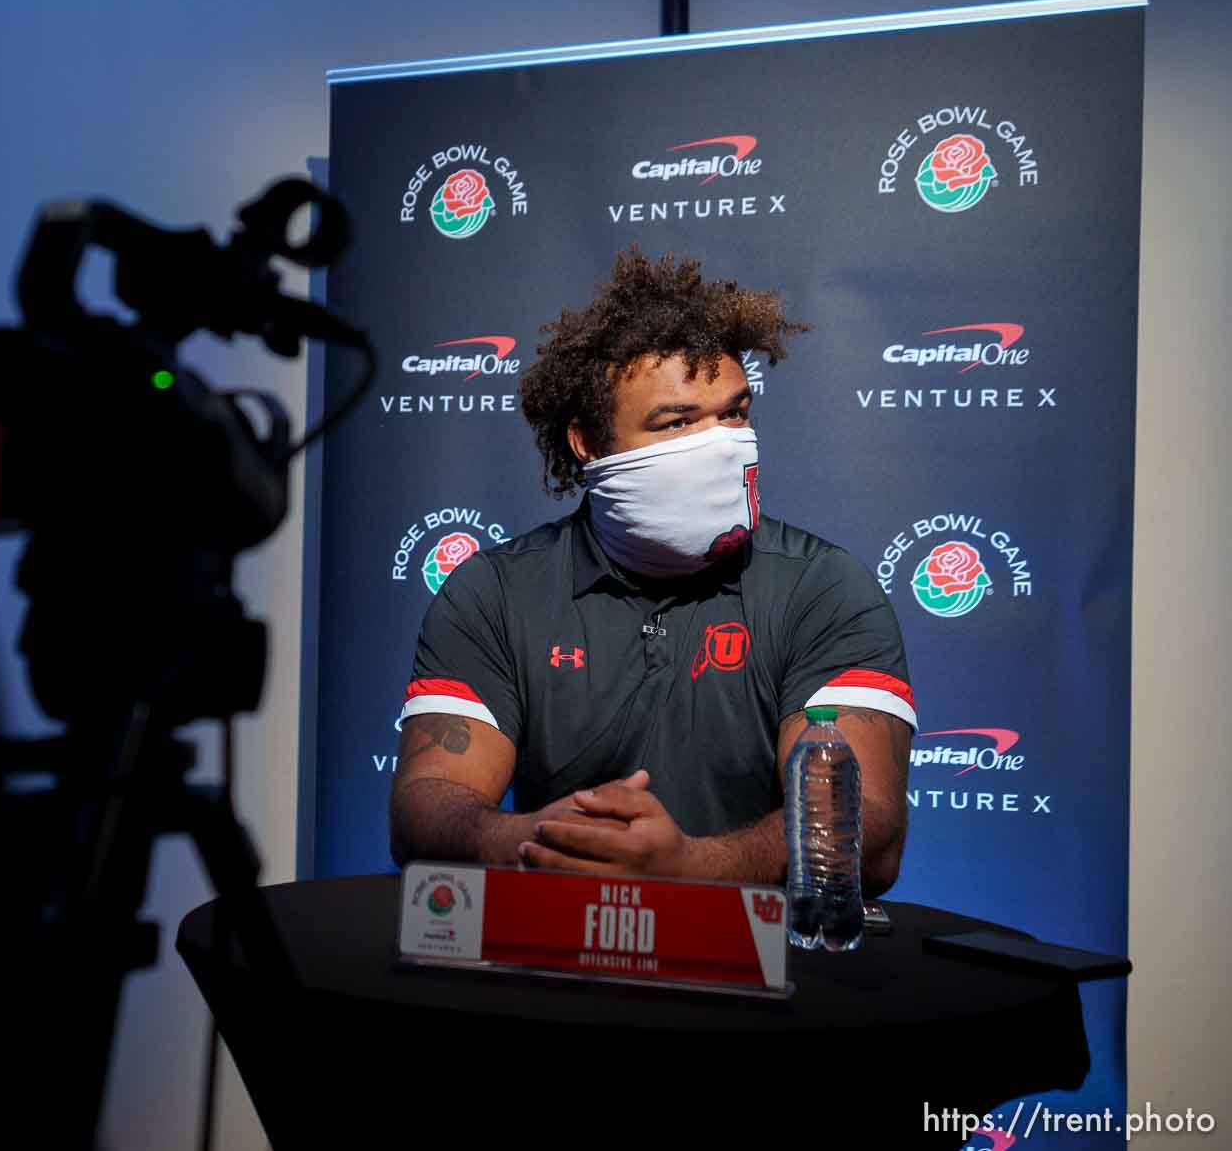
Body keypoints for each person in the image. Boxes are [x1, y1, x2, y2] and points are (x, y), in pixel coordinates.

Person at [388, 247, 913, 895]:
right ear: (586, 441)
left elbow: (872, 834)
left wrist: (689, 866)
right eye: (677, 422)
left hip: (764, 978)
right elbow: (427, 805)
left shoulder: (825, 589)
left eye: (734, 413)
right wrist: (545, 841)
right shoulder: (495, 593)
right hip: (557, 972)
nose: (721, 443)